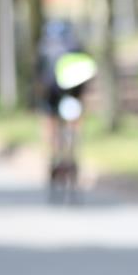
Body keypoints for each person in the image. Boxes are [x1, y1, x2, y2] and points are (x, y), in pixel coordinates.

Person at [34, 19, 95, 174]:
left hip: (51, 93)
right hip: (73, 92)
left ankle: (53, 155)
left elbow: (39, 78)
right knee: (75, 120)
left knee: (49, 121)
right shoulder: (76, 47)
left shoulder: (44, 48)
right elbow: (86, 73)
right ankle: (73, 152)